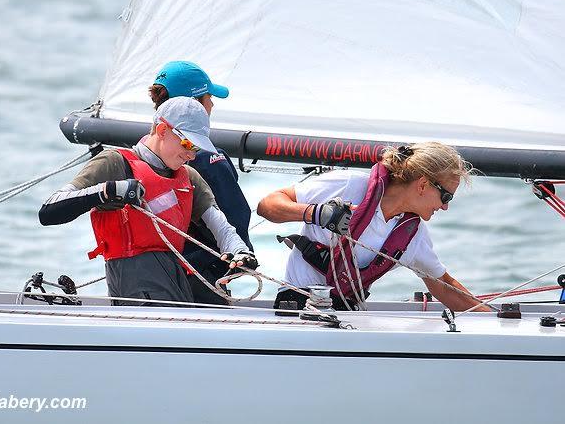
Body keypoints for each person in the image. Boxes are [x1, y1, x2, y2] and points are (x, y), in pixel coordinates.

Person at [39, 96, 257, 307]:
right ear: (162, 130)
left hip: (177, 286)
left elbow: (222, 228)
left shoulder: (189, 176)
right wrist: (108, 191)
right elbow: (49, 210)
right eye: (188, 144)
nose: (191, 155)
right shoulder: (114, 162)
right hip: (134, 290)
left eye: (196, 148)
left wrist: (240, 252)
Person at [257, 142, 490, 312]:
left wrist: (492, 320)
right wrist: (316, 213)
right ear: (423, 185)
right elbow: (267, 206)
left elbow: (445, 286)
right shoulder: (348, 186)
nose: (445, 207)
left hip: (348, 318)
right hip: (296, 309)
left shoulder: (413, 236)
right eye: (446, 197)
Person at [149, 61, 253, 305]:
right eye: (208, 98)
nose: (212, 104)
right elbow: (235, 216)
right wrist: (241, 257)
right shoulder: (208, 158)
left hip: (158, 275)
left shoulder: (143, 153)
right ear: (193, 104)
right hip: (203, 277)